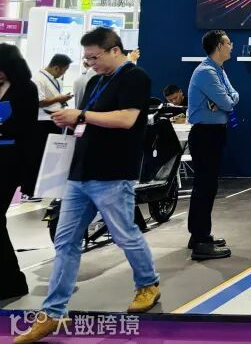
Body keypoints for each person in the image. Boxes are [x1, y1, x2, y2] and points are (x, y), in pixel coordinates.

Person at [15, 28, 160, 344]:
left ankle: (148, 283)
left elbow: (126, 120)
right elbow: (88, 120)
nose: (90, 63)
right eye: (87, 58)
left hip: (113, 174)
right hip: (80, 174)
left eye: (94, 57)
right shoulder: (95, 81)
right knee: (65, 242)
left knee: (125, 235)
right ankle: (53, 312)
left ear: (115, 50)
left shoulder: (135, 77)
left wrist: (81, 114)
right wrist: (73, 120)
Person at [185, 30, 239, 260]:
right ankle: (200, 241)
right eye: (228, 43)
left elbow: (234, 96)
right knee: (205, 186)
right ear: (218, 46)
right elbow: (227, 101)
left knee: (207, 186)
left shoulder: (218, 70)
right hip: (205, 134)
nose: (231, 46)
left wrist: (225, 100)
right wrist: (225, 101)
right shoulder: (206, 72)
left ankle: (199, 236)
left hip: (214, 133)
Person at [0, 44, 38, 302]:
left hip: (11, 161)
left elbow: (25, 127)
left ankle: (12, 281)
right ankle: (10, 279)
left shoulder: (26, 88)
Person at [27, 54, 73, 198]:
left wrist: (61, 101)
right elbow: (39, 102)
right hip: (42, 123)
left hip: (52, 121)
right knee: (38, 156)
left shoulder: (52, 79)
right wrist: (59, 98)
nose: (63, 74)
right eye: (64, 70)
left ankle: (43, 189)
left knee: (49, 157)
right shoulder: (38, 79)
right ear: (56, 67)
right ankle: (30, 191)